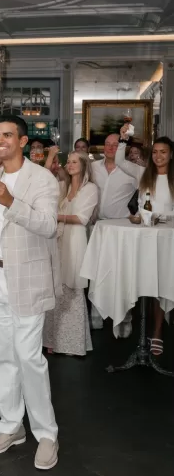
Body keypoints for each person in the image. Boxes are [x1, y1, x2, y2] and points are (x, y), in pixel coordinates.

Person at [0, 115, 60, 470]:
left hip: (28, 278)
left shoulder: (42, 179)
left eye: (8, 135)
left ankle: (47, 433)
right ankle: (11, 426)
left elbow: (49, 226)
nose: (1, 141)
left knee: (29, 357)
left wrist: (10, 201)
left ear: (23, 141)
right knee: (1, 356)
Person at [117, 127, 174, 355]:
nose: (158, 156)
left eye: (163, 152)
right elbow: (120, 161)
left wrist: (164, 218)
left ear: (171, 154)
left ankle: (157, 331)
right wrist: (123, 138)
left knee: (161, 285)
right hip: (144, 236)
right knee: (144, 284)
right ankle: (140, 327)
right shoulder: (144, 174)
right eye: (155, 152)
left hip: (167, 239)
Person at [43, 151, 98, 356]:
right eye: (69, 161)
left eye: (75, 162)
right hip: (57, 242)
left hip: (75, 242)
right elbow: (45, 181)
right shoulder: (62, 186)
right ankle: (52, 339)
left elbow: (82, 218)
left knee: (73, 289)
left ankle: (72, 344)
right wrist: (50, 160)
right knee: (56, 288)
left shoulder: (90, 189)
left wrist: (54, 216)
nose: (70, 164)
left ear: (84, 165)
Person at [89, 133, 137, 331]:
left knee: (122, 274)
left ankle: (125, 317)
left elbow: (148, 193)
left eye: (115, 145)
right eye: (107, 144)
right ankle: (96, 314)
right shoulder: (92, 168)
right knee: (95, 272)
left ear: (122, 148)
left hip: (121, 229)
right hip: (95, 226)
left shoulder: (132, 171)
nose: (110, 148)